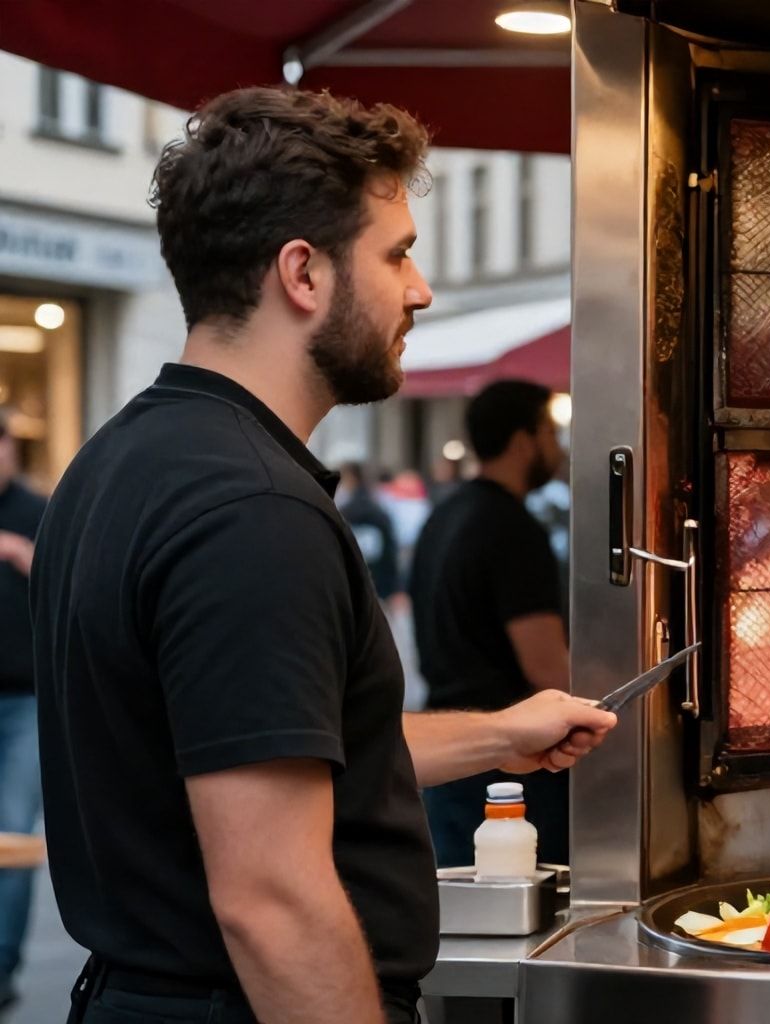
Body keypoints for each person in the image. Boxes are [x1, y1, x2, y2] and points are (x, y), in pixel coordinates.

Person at [30, 88, 616, 1024]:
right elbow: (274, 903)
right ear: (302, 273)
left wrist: (503, 734)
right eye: (397, 254)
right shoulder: (251, 511)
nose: (419, 289)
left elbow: (267, 746)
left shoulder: (119, 461)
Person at [409, 380, 573, 867]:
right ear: (523, 441)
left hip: (448, 754)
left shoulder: (444, 514)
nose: (556, 446)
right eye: (549, 431)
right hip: (507, 765)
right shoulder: (512, 529)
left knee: (463, 918)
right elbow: (548, 668)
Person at [0, 408, 46, 1013]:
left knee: (11, 832)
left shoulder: (39, 512)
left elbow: (72, 589)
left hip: (26, 701)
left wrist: (22, 554)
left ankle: (2, 964)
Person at [337, 461, 402, 602]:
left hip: (352, 584)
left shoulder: (344, 512)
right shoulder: (379, 511)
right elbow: (390, 550)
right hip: (379, 584)